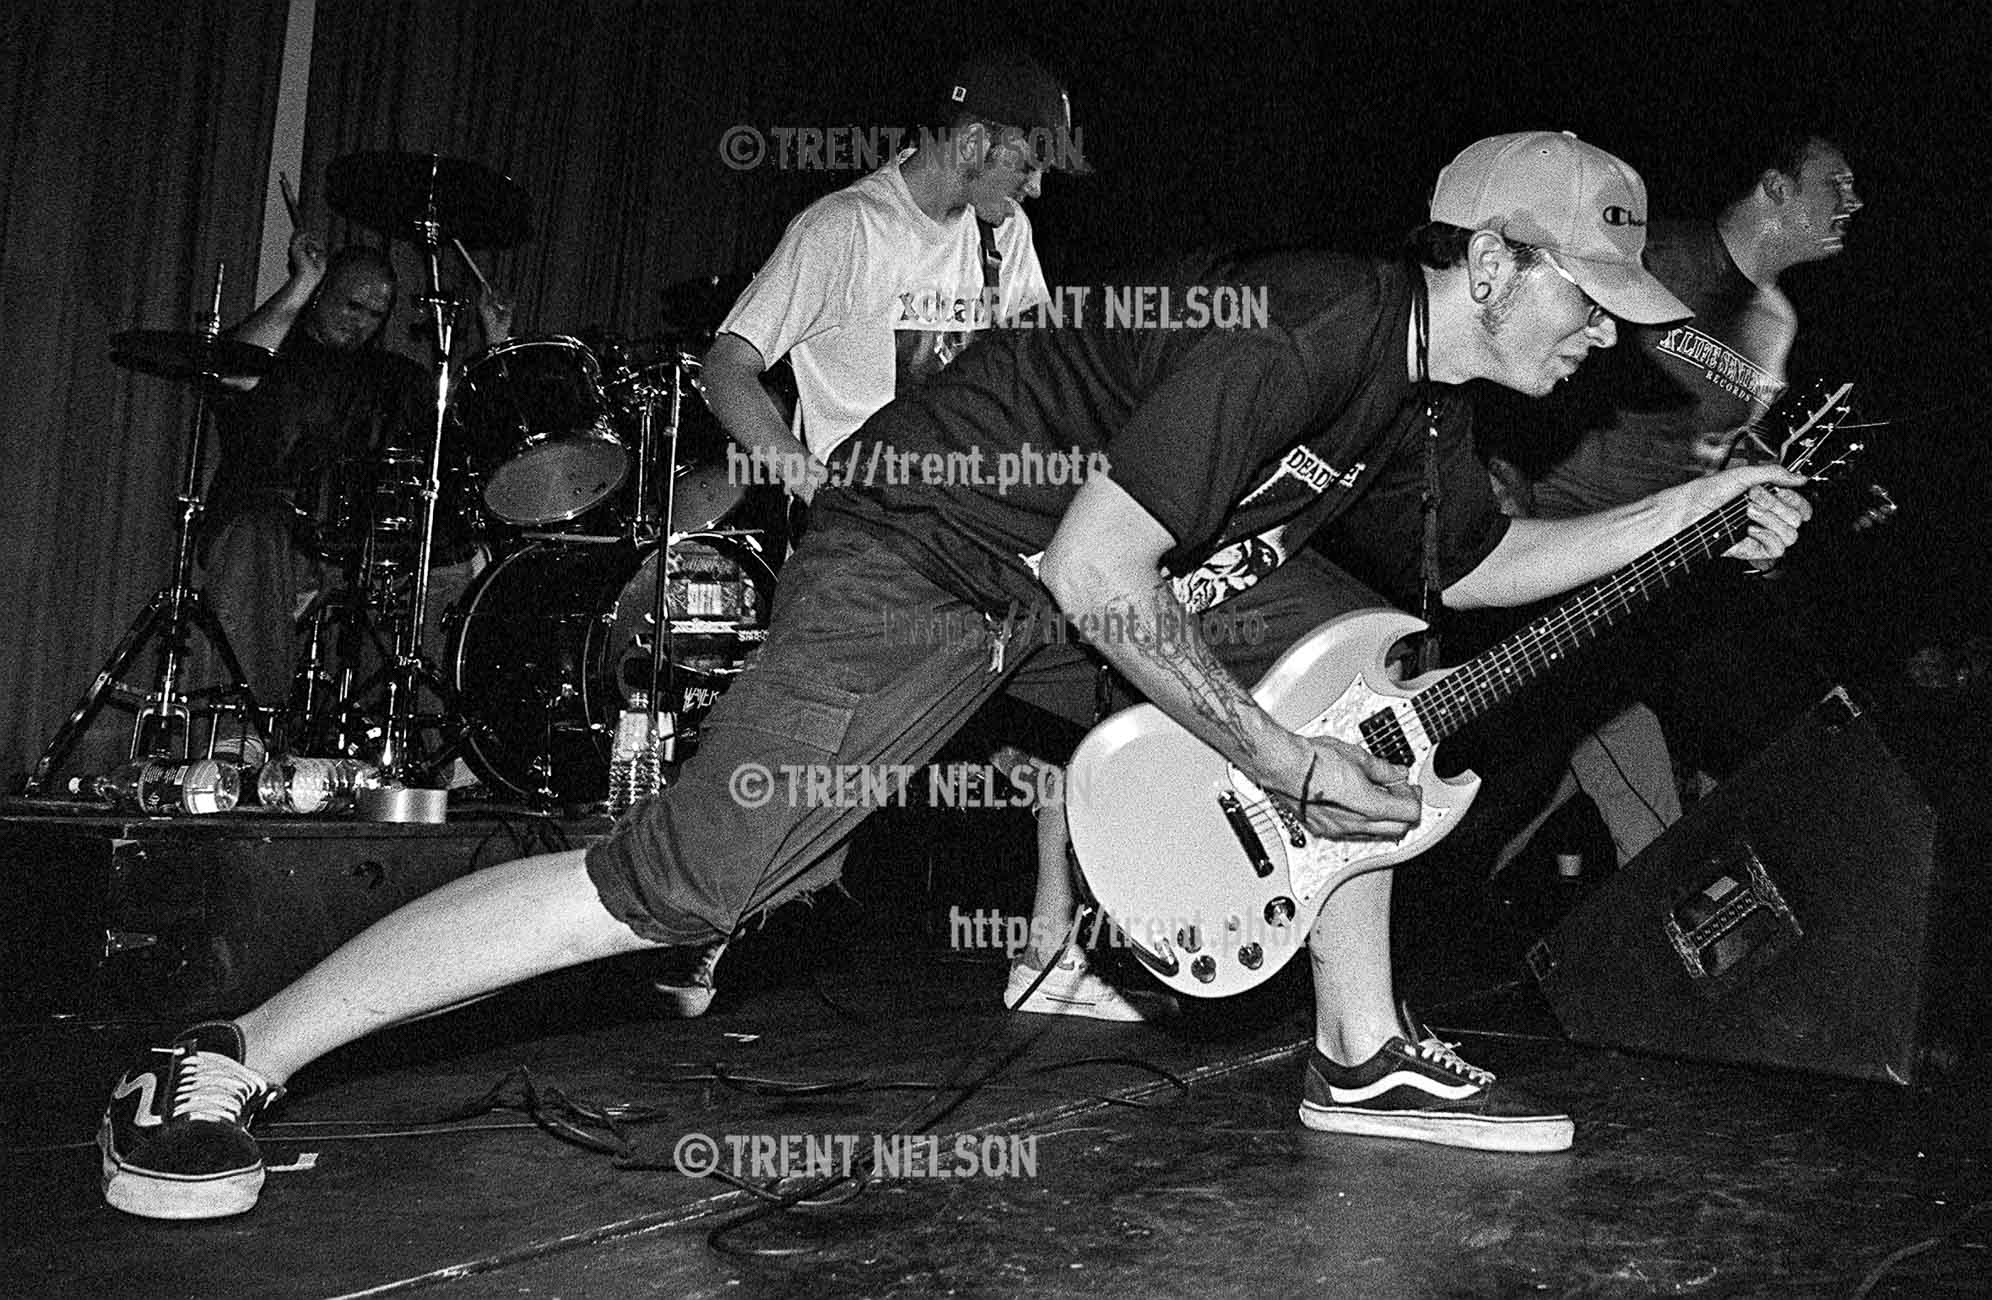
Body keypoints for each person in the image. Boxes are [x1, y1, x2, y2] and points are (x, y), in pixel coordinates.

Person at [99, 130, 1815, 1220]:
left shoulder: (1425, 408)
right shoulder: (1312, 323)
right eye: (1587, 300)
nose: (1608, 338)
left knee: (1351, 669)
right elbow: (1094, 570)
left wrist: (1693, 506)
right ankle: (222, 1060)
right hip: (922, 560)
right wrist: (1275, 770)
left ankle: (1357, 1049)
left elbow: (1492, 568)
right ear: (1492, 260)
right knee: (685, 889)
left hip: (1062, 587)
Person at [696, 52, 1137, 1020]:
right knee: (805, 790)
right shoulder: (845, 229)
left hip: (980, 542)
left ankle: (1050, 951)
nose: (1038, 182)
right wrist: (812, 482)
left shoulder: (1002, 233)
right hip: (877, 554)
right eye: (1027, 160)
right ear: (975, 141)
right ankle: (689, 931)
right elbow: (727, 369)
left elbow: (1034, 376)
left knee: (1092, 713)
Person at [1475, 130, 1863, 876]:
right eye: (1835, 184)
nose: (1854, 202)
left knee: (1760, 741)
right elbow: (1525, 373)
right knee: (1508, 786)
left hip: (1655, 583)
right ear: (1775, 188)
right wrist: (1500, 489)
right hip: (1550, 565)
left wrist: (1762, 510)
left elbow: (1713, 448)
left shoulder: (1775, 324)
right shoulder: (1658, 260)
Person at [193, 235, 429, 731]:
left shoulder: (389, 376)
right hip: (265, 521)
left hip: (351, 539)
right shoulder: (279, 346)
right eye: (351, 304)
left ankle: (412, 740)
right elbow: (232, 370)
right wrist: (298, 285)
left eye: (374, 313)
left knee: (443, 558)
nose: (361, 320)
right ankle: (258, 728)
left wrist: (494, 342)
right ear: (322, 294)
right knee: (257, 535)